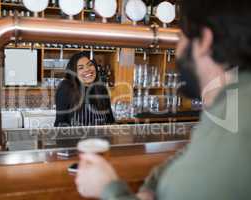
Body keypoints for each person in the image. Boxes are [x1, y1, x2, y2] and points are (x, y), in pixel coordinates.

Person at [75, 0, 251, 199]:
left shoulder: (236, 126)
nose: (176, 50)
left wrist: (108, 188)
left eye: (179, 38)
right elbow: (190, 156)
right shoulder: (231, 105)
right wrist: (152, 186)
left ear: (204, 41)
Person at [54, 52, 115, 127]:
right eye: (80, 68)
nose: (87, 69)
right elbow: (60, 123)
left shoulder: (101, 89)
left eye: (90, 65)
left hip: (100, 138)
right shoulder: (66, 88)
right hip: (74, 138)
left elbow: (110, 121)